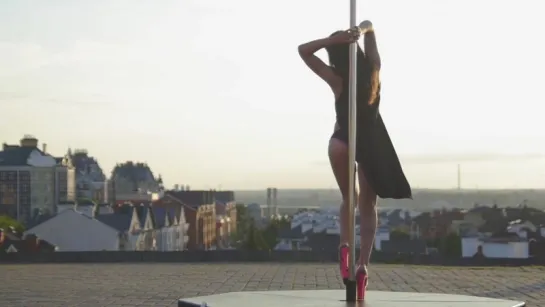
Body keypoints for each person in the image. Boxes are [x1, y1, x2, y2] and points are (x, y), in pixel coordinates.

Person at [298, 21, 412, 294]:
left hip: (341, 141)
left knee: (348, 199)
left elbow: (303, 50)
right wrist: (360, 31)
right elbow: (372, 27)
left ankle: (344, 246)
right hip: (370, 144)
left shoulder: (337, 79)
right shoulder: (374, 70)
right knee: (367, 206)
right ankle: (362, 266)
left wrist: (331, 42)